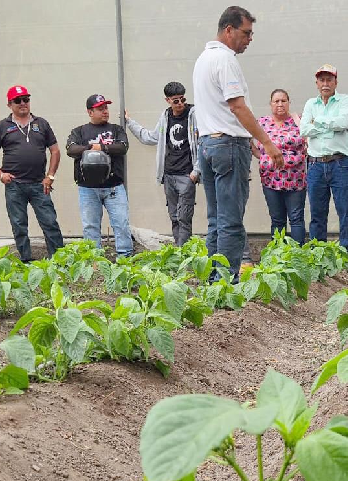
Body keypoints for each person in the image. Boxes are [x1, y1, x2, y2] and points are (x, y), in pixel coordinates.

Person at [193, 5, 284, 279]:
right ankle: (226, 283)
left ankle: (212, 280)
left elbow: (219, 109)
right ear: (229, 29)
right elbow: (237, 107)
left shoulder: (203, 59)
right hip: (228, 147)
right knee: (231, 221)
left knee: (216, 220)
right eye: (246, 33)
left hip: (209, 145)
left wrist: (248, 140)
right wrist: (267, 142)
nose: (250, 39)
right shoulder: (226, 60)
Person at [0, 85, 64, 262]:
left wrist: (50, 176)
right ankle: (26, 261)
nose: (23, 103)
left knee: (50, 222)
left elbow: (55, 151)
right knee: (19, 225)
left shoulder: (41, 124)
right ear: (9, 104)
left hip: (39, 184)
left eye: (26, 99)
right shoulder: (2, 126)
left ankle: (60, 261)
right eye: (18, 101)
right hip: (14, 185)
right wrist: (0, 174)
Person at [125, 82, 200, 246]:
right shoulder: (166, 116)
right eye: (176, 100)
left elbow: (203, 142)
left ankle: (184, 251)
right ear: (167, 100)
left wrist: (196, 170)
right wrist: (129, 122)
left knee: (184, 216)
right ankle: (179, 250)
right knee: (174, 216)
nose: (180, 104)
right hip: (169, 174)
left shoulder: (194, 114)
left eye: (182, 99)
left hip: (187, 174)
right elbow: (151, 137)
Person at [300, 64, 348, 272]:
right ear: (317, 83)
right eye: (322, 80)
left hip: (339, 163)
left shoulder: (345, 100)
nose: (325, 84)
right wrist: (328, 124)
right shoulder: (310, 103)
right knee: (317, 213)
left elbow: (344, 122)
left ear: (336, 82)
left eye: (329, 80)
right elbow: (304, 129)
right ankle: (318, 257)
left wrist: (319, 123)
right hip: (315, 164)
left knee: (345, 211)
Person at [66, 94, 132, 257]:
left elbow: (122, 147)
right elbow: (71, 150)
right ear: (90, 112)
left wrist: (100, 147)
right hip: (87, 188)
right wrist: (91, 147)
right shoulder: (79, 131)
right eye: (100, 108)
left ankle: (125, 257)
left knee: (121, 223)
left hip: (114, 187)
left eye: (106, 107)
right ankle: (94, 259)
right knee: (90, 226)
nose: (105, 111)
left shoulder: (116, 129)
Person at [252, 88, 307, 244]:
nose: (280, 104)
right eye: (276, 101)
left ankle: (298, 256)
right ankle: (278, 257)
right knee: (277, 219)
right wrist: (261, 157)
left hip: (295, 179)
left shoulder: (299, 120)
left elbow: (308, 144)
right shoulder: (261, 123)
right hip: (271, 180)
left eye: (284, 101)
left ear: (289, 103)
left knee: (296, 218)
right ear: (270, 104)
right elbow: (251, 143)